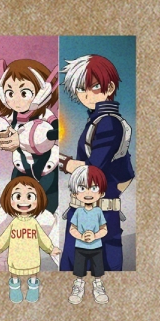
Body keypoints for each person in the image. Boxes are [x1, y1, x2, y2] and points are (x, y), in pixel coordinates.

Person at [59, 54, 134, 271]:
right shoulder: (98, 121)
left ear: (109, 87)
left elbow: (93, 169)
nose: (86, 94)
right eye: (80, 88)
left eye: (93, 86)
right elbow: (125, 171)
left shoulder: (108, 123)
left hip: (98, 212)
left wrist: (60, 161)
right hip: (91, 208)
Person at [0, 58, 59, 207]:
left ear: (42, 93)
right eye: (10, 93)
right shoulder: (12, 117)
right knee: (15, 203)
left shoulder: (45, 115)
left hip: (47, 167)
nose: (16, 100)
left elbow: (57, 132)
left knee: (47, 205)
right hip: (21, 167)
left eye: (24, 92)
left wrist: (42, 136)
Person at [0, 175, 61, 302]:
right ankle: (15, 288)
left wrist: (51, 249)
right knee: (14, 273)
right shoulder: (13, 223)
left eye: (29, 196)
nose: (23, 201)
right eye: (17, 196)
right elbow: (5, 238)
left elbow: (42, 238)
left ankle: (33, 288)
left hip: (32, 257)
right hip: (15, 257)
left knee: (33, 273)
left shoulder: (34, 223)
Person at [66, 165, 109, 304]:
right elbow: (72, 229)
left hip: (96, 247)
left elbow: (104, 229)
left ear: (101, 193)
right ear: (75, 193)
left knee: (98, 270)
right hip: (80, 247)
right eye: (82, 188)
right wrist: (81, 237)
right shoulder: (78, 212)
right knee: (79, 270)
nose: (88, 192)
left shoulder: (98, 212)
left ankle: (98, 287)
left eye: (94, 188)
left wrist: (95, 236)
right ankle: (78, 286)